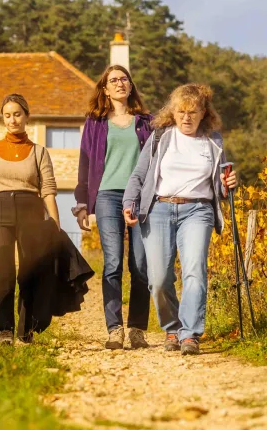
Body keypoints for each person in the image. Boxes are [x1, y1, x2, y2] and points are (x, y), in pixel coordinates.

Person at [0, 93, 92, 344]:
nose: (12, 120)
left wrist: (55, 225)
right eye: (7, 115)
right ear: (3, 118)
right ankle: (4, 330)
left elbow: (49, 191)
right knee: (4, 274)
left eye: (17, 114)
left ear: (26, 117)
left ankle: (26, 329)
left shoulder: (39, 152)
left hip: (31, 213)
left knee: (29, 274)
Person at [123, 83, 237, 357]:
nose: (187, 117)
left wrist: (228, 183)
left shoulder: (213, 141)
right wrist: (130, 202)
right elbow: (139, 176)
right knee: (159, 277)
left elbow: (221, 185)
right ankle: (172, 328)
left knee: (194, 271)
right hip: (160, 209)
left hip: (198, 211)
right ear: (173, 113)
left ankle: (190, 334)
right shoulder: (161, 138)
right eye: (181, 111)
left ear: (203, 113)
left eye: (193, 112)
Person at [74, 64, 153, 350]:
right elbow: (84, 163)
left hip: (142, 198)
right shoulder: (95, 123)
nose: (120, 83)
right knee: (113, 263)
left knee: (141, 264)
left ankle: (137, 329)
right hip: (107, 195)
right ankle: (114, 328)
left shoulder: (146, 122)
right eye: (113, 80)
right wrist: (82, 202)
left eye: (124, 79)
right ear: (105, 89)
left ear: (130, 86)